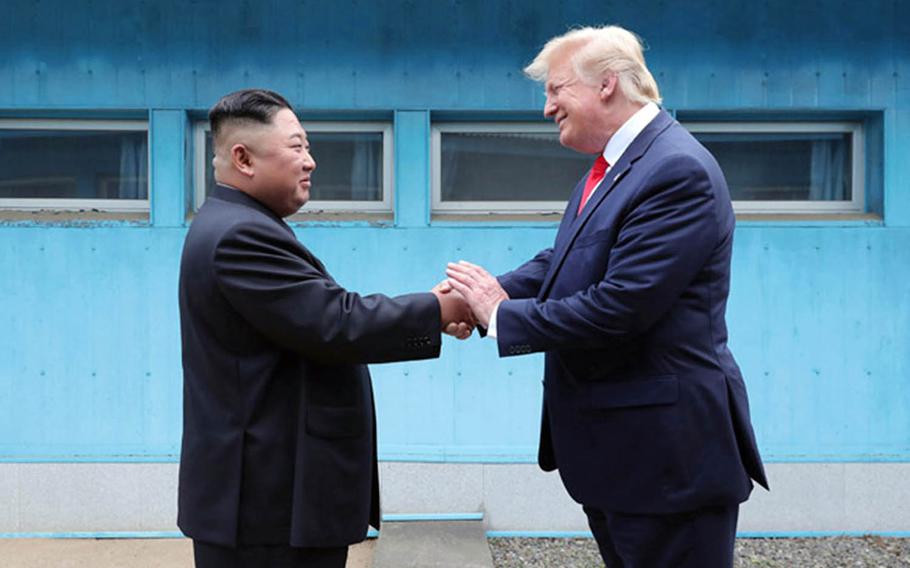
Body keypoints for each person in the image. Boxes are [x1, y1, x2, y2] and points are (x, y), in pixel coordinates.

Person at [447, 26, 768, 568]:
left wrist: (500, 314)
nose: (547, 108)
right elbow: (567, 262)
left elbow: (620, 307)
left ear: (606, 85)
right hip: (627, 458)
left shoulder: (675, 170)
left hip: (668, 461)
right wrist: (476, 298)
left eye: (555, 90)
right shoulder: (615, 166)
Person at [177, 89, 472, 568]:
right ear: (243, 157)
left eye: (308, 147)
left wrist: (437, 310)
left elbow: (321, 320)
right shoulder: (240, 235)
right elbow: (337, 323)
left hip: (267, 499)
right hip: (267, 505)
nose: (310, 161)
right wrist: (443, 308)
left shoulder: (240, 223)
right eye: (296, 147)